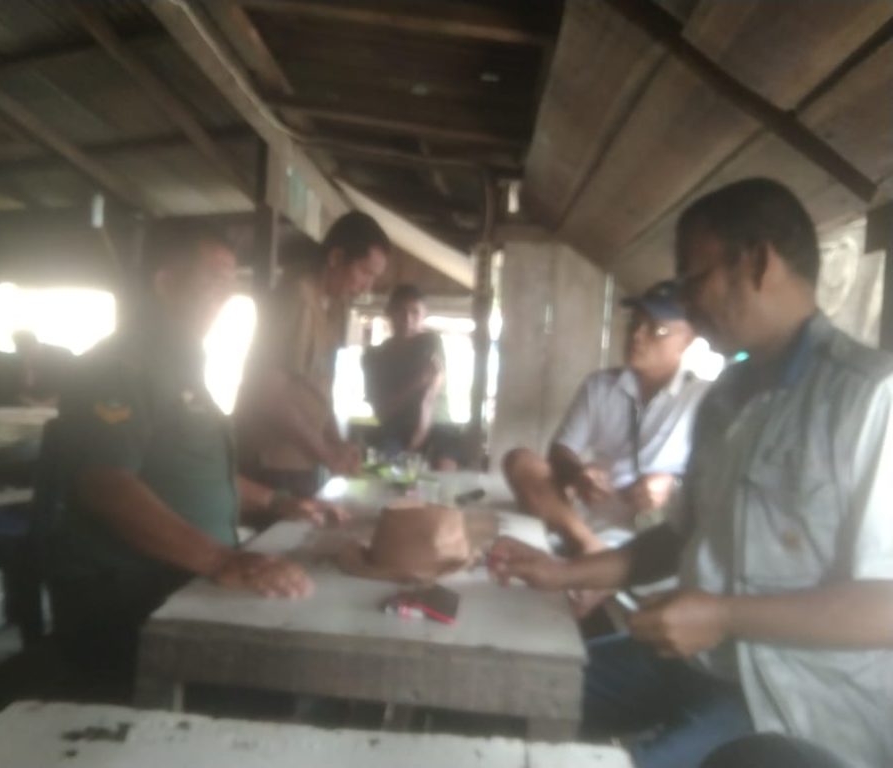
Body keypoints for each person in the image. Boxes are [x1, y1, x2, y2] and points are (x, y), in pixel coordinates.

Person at [489, 178, 893, 768]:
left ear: (757, 263)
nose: (686, 303)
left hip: (797, 698)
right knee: (513, 686)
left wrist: (724, 616)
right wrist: (562, 572)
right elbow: (678, 539)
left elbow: (885, 606)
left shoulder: (871, 397)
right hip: (693, 661)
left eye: (693, 280)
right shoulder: (725, 399)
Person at [48, 220, 340, 688]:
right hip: (128, 592)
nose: (226, 295)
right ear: (166, 284)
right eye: (214, 280)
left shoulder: (183, 365)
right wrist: (221, 561)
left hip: (183, 576)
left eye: (231, 282)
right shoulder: (120, 367)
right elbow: (108, 485)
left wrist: (277, 501)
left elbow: (194, 468)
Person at [503, 281, 708, 557]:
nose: (637, 335)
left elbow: (718, 480)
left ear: (688, 339)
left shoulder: (704, 398)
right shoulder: (600, 386)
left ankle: (593, 557)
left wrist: (673, 485)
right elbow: (562, 450)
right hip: (590, 522)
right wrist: (579, 475)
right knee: (519, 461)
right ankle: (586, 544)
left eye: (657, 329)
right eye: (634, 322)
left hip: (658, 532)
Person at [237, 211, 390, 497]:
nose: (367, 286)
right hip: (271, 462)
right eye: (365, 272)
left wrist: (337, 442)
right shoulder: (296, 299)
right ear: (336, 258)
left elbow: (317, 390)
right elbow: (271, 394)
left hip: (298, 461)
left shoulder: (330, 308)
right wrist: (326, 453)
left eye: (373, 278)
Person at [362, 284, 460, 469]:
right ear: (389, 313)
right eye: (400, 312)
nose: (407, 320)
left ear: (424, 315)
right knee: (385, 469)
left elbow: (429, 395)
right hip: (394, 429)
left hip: (437, 424)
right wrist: (417, 382)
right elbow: (381, 411)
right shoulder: (373, 356)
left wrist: (417, 437)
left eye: (415, 313)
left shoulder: (430, 342)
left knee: (444, 467)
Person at [11, 330, 73, 406]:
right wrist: (31, 403)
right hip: (28, 407)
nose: (27, 357)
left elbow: (70, 384)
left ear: (35, 344)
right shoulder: (16, 359)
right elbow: (16, 389)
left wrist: (49, 404)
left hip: (60, 404)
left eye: (27, 351)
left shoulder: (62, 355)